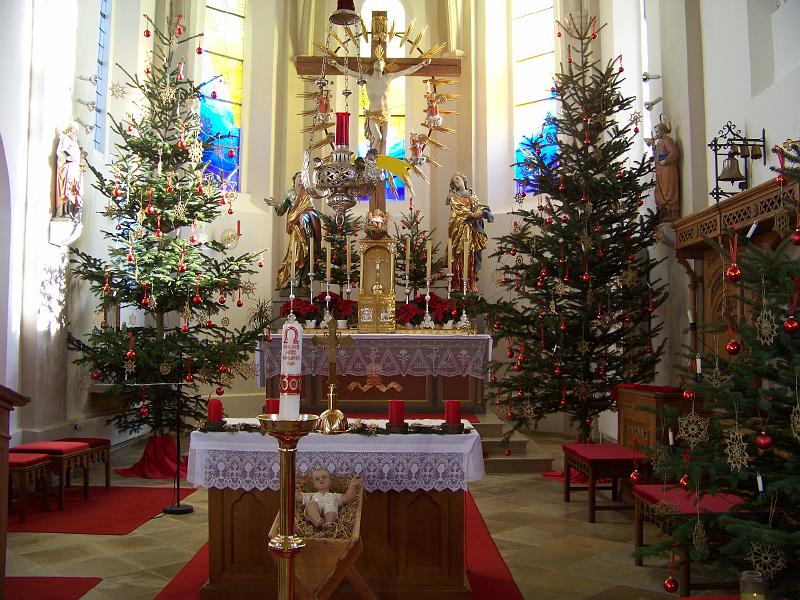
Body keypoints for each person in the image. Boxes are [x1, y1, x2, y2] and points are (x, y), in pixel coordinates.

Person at [331, 56, 431, 154]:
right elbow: (349, 72)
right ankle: (369, 159)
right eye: (377, 61)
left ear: (384, 66)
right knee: (378, 137)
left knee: (385, 140)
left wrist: (421, 64)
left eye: (381, 61)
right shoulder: (367, 78)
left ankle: (381, 166)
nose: (379, 62)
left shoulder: (388, 77)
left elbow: (407, 71)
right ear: (372, 65)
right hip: (373, 114)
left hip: (385, 114)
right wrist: (336, 64)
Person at [265, 173, 321, 289]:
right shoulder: (289, 194)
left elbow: (313, 211)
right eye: (299, 176)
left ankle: (302, 279)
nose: (301, 178)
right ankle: (291, 278)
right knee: (294, 252)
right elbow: (281, 211)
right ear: (294, 179)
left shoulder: (308, 194)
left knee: (306, 252)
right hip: (295, 228)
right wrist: (276, 205)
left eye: (303, 177)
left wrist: (305, 216)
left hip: (305, 229)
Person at [447, 173, 492, 293]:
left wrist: (481, 213)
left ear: (464, 180)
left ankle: (471, 282)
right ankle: (457, 283)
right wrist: (471, 215)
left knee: (471, 253)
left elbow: (476, 207)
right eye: (454, 182)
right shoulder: (453, 196)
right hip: (459, 228)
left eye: (458, 179)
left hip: (472, 228)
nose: (457, 183)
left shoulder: (472, 194)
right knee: (459, 254)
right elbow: (457, 211)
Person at [298, 468, 363, 529]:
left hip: (329, 510)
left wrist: (353, 485)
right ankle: (317, 520)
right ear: (314, 485)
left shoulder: (334, 496)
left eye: (324, 477)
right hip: (315, 511)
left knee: (331, 505)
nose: (321, 479)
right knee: (310, 504)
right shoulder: (312, 495)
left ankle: (328, 523)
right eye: (317, 479)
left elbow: (347, 497)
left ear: (330, 481)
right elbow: (297, 497)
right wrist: (291, 483)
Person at [651, 117, 680, 221]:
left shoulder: (667, 140)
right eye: (655, 132)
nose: (656, 134)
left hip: (668, 169)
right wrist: (654, 148)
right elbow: (658, 155)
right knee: (660, 191)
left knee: (668, 190)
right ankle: (664, 212)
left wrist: (666, 160)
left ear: (663, 131)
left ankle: (671, 213)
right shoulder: (660, 142)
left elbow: (674, 153)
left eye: (658, 131)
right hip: (661, 170)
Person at [55, 123, 84, 220]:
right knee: (65, 189)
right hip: (66, 168)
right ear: (68, 131)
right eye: (72, 131)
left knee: (72, 191)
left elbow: (77, 157)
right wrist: (68, 157)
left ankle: (69, 211)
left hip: (73, 170)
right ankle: (62, 211)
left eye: (75, 132)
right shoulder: (65, 139)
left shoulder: (75, 144)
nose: (73, 133)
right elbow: (61, 152)